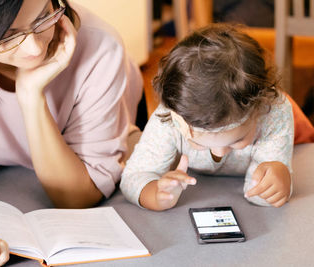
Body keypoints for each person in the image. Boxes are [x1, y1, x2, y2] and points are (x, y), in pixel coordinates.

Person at [0, 0, 143, 265]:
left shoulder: (99, 47)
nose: (34, 49)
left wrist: (31, 96)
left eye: (43, 16)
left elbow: (77, 196)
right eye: (7, 35)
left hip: (112, 121)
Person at [120, 23, 300, 211]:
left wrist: (277, 182)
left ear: (258, 109)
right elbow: (135, 176)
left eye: (237, 140)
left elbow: (258, 193)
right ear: (177, 119)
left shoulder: (273, 112)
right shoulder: (169, 117)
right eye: (200, 143)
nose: (219, 153)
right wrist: (156, 194)